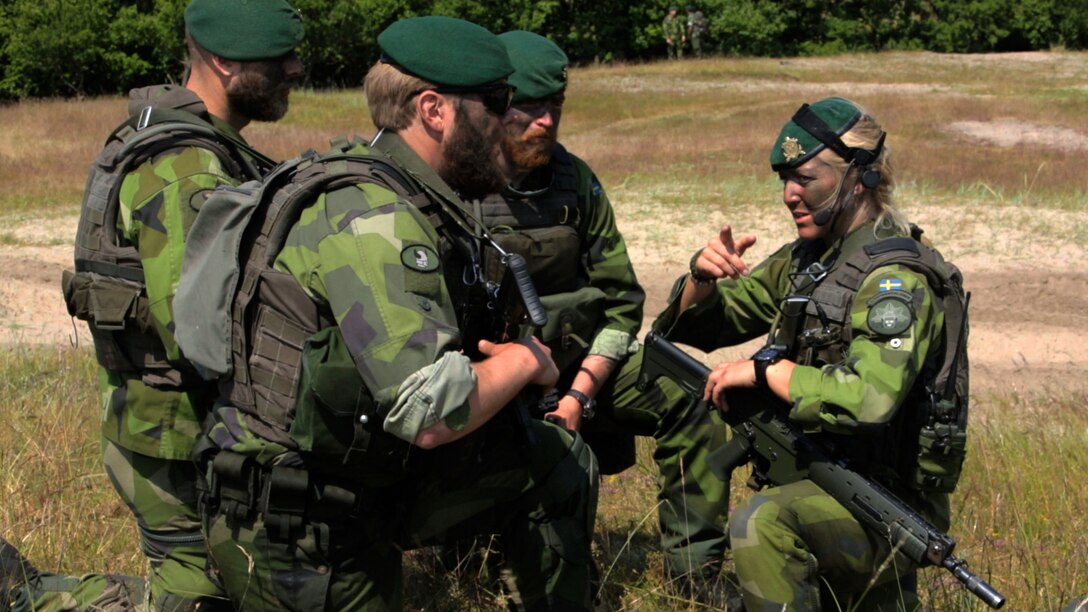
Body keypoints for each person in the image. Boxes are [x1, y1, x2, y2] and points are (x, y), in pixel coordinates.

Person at [179, 16, 597, 610]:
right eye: (496, 102)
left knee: (554, 457)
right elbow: (428, 411)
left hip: (358, 476)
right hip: (297, 522)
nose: (510, 119)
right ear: (434, 110)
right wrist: (528, 362)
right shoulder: (374, 218)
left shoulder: (409, 187)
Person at [654, 97, 957, 609]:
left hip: (886, 503)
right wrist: (701, 280)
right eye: (784, 181)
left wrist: (767, 371)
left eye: (806, 179)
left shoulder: (895, 279)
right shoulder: (808, 261)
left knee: (763, 523)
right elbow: (711, 324)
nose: (790, 195)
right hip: (823, 478)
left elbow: (869, 400)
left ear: (861, 177)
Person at [52, 1, 304, 610]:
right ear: (222, 61)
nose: (296, 69)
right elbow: (201, 331)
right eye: (280, 58)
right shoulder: (186, 169)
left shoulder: (173, 132)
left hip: (163, 428)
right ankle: (38, 595)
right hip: (178, 443)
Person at [470, 30, 730, 594]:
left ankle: (695, 579)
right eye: (529, 107)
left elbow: (621, 305)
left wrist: (579, 395)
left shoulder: (575, 183)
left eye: (554, 107)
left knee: (693, 393)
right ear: (493, 108)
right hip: (490, 383)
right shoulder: (457, 185)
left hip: (584, 372)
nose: (545, 121)